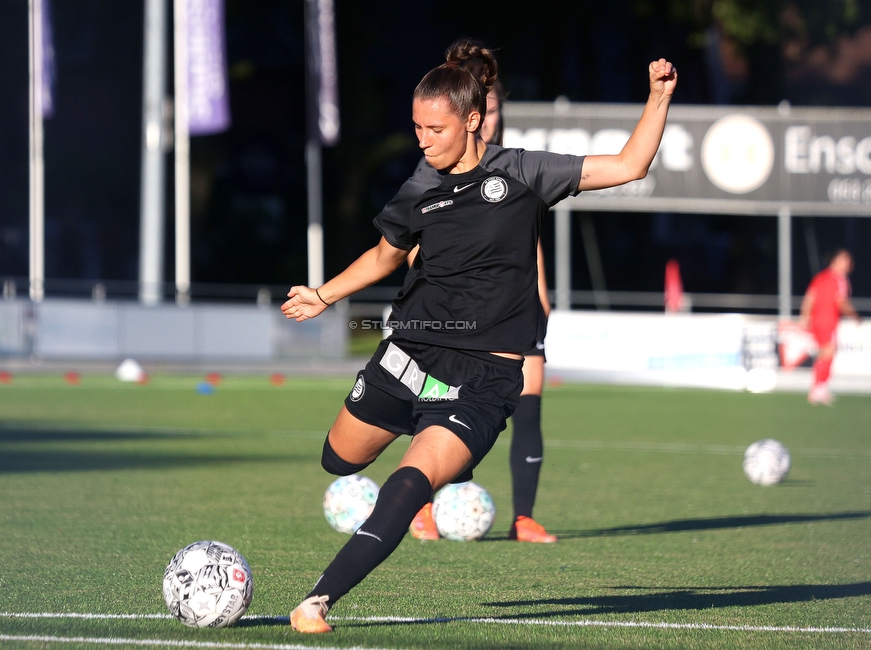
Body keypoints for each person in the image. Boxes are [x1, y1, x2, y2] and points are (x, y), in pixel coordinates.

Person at [282, 38, 677, 633]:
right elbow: (384, 256)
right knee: (338, 459)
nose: (422, 139)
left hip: (483, 378)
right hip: (408, 354)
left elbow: (628, 166)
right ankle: (435, 442)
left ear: (472, 120)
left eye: (434, 128)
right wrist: (324, 294)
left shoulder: (523, 171)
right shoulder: (420, 184)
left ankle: (317, 601)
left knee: (407, 484)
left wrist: (657, 97)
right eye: (416, 127)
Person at [406, 76, 557, 543]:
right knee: (439, 410)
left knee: (529, 407)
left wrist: (542, 296)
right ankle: (422, 508)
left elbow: (524, 241)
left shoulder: (514, 169)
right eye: (483, 113)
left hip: (515, 312)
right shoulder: (434, 171)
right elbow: (412, 247)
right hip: (456, 319)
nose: (488, 121)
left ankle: (524, 518)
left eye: (495, 113)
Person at [798, 249, 860, 405]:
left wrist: (805, 316)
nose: (849, 263)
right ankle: (818, 389)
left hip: (817, 320)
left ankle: (819, 388)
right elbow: (841, 301)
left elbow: (809, 297)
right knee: (828, 352)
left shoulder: (821, 276)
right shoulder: (838, 279)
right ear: (836, 261)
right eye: (845, 259)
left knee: (825, 353)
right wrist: (854, 316)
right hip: (827, 321)